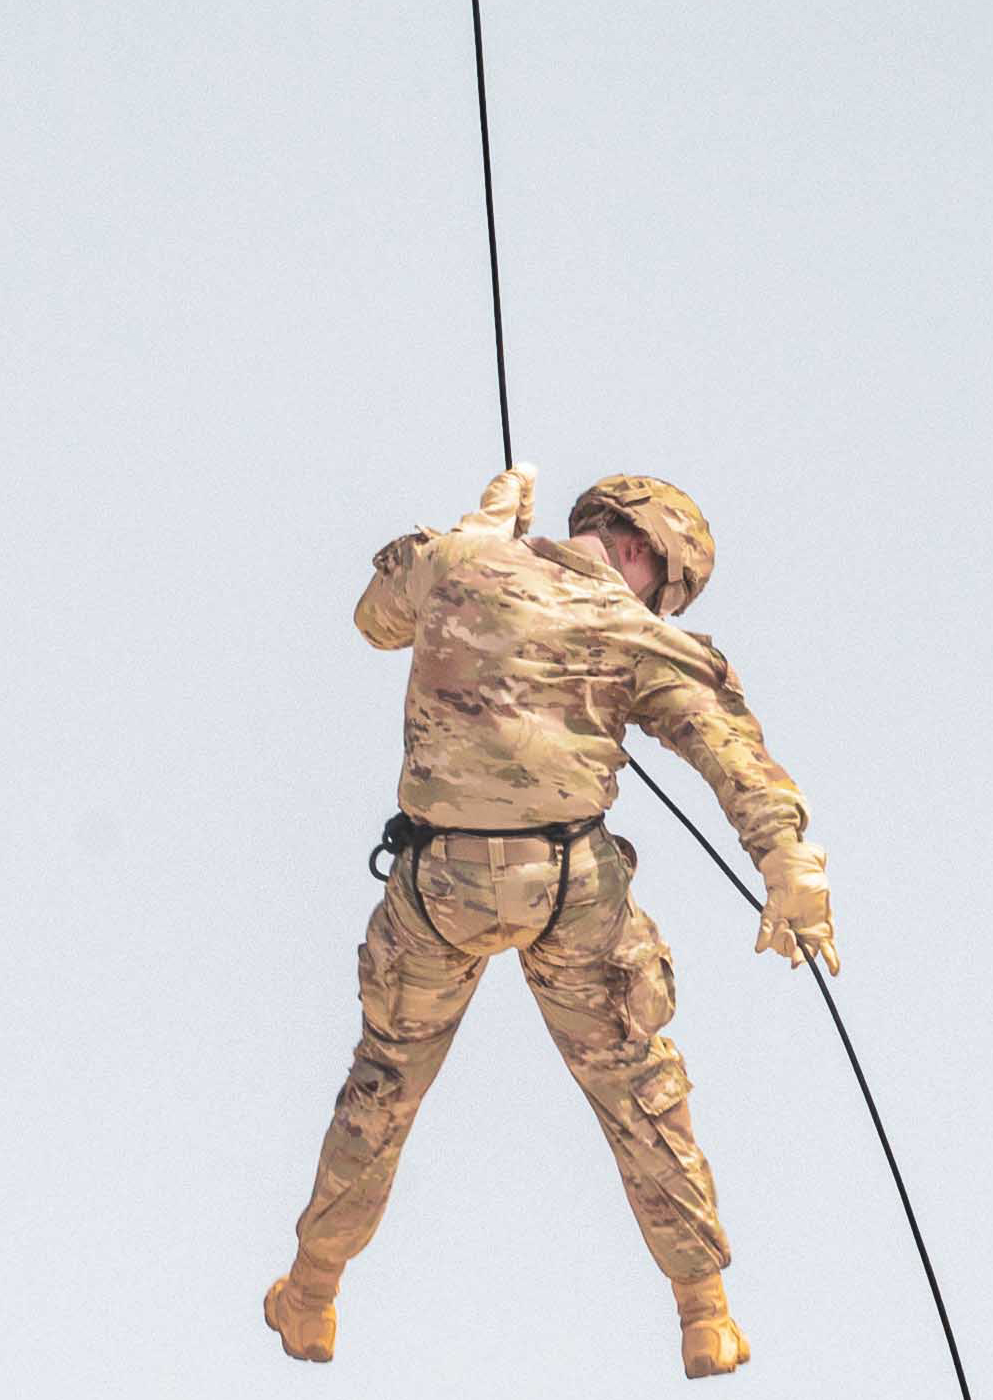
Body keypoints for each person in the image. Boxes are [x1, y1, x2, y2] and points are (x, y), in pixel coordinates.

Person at [267, 468, 835, 1380]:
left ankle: (312, 1291)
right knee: (638, 1088)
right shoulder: (633, 629)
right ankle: (705, 1313)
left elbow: (375, 620)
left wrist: (468, 534)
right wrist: (790, 867)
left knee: (383, 1086)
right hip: (565, 884)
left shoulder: (452, 564)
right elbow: (727, 750)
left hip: (437, 884)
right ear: (648, 553)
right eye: (669, 586)